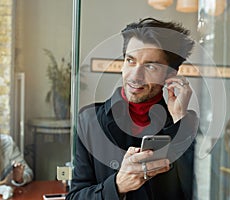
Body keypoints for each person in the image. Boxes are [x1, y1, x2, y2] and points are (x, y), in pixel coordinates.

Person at [66, 17, 199, 200]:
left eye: (150, 66)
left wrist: (179, 121)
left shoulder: (185, 124)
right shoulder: (90, 120)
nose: (135, 76)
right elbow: (75, 197)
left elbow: (198, 192)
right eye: (130, 60)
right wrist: (118, 185)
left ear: (170, 74)